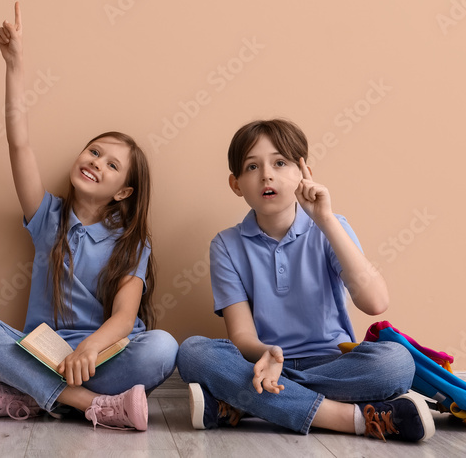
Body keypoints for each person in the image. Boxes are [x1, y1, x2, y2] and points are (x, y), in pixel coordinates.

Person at [0, 2, 178, 431]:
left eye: (112, 166)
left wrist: (88, 350)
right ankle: (89, 404)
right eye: (94, 151)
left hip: (100, 355)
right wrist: (15, 66)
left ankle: (28, 396)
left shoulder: (132, 241)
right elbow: (20, 145)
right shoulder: (47, 215)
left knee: (163, 347)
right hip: (39, 350)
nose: (96, 163)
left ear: (124, 192)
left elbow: (125, 318)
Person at [177, 119, 435, 442]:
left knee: (396, 363)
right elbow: (241, 334)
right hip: (264, 363)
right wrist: (266, 353)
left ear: (303, 173)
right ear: (236, 184)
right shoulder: (226, 245)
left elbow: (376, 303)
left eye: (280, 163)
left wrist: (325, 220)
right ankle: (352, 417)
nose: (267, 175)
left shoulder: (331, 227)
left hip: (333, 363)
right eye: (252, 166)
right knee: (192, 353)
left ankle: (248, 403)